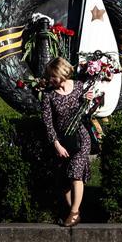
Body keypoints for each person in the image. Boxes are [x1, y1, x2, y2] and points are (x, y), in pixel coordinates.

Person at [41, 58, 95, 228]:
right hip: (62, 140)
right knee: (65, 180)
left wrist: (88, 100)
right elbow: (48, 123)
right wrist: (56, 144)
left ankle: (73, 213)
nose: (51, 80)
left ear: (62, 74)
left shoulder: (79, 86)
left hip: (80, 137)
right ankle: (74, 211)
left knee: (75, 171)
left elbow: (89, 110)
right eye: (49, 77)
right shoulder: (49, 95)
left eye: (53, 76)